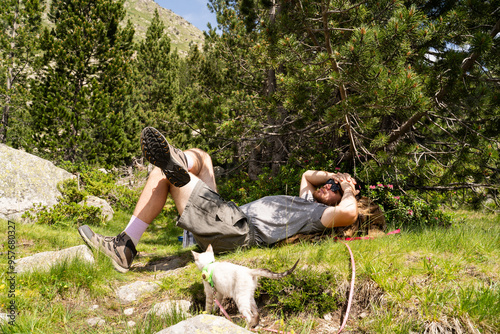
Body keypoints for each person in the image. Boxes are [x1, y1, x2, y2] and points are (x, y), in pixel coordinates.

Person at [78, 127, 371, 273]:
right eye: (331, 182)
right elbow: (308, 175)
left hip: (237, 231)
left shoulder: (320, 216)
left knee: (165, 173)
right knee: (202, 158)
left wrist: (349, 191)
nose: (329, 184)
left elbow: (349, 214)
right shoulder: (308, 201)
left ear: (337, 200)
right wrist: (337, 175)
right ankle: (178, 162)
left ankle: (126, 246)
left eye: (333, 186)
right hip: (228, 216)